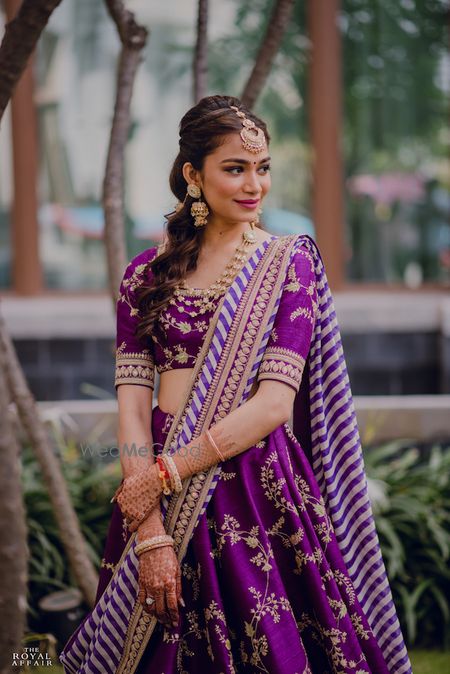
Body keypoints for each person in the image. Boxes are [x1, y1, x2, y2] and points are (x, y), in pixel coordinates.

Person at [60, 95, 411, 674]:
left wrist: (165, 474)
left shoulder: (287, 262)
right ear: (194, 175)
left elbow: (274, 402)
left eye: (263, 167)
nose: (255, 184)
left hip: (251, 482)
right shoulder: (145, 275)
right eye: (235, 168)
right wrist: (147, 527)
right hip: (153, 485)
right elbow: (131, 411)